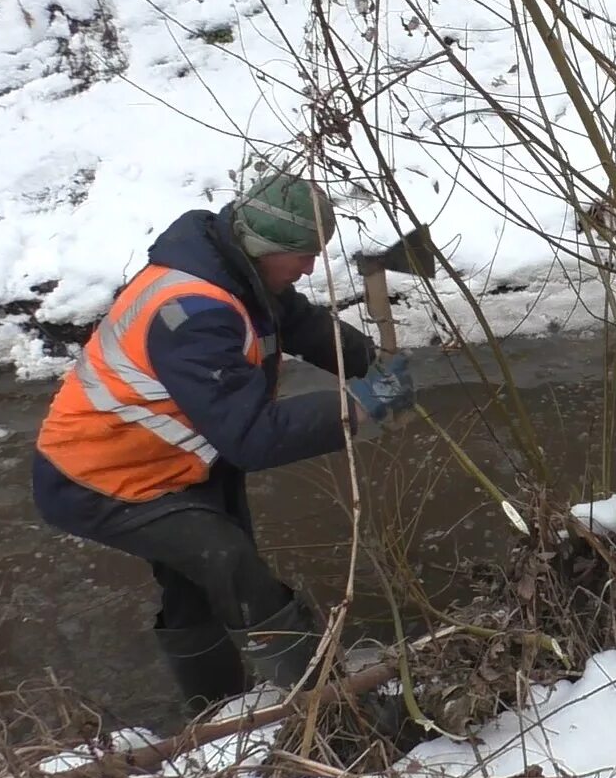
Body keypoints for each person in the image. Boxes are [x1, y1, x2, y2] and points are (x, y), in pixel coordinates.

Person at [32, 171, 416, 715]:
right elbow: (252, 438)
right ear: (261, 248)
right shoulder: (193, 312)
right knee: (232, 564)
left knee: (197, 581)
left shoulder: (237, 272)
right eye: (301, 256)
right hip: (101, 478)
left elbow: (301, 324)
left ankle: (216, 714)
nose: (309, 268)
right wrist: (359, 406)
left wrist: (371, 365)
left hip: (169, 461)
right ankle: (330, 710)